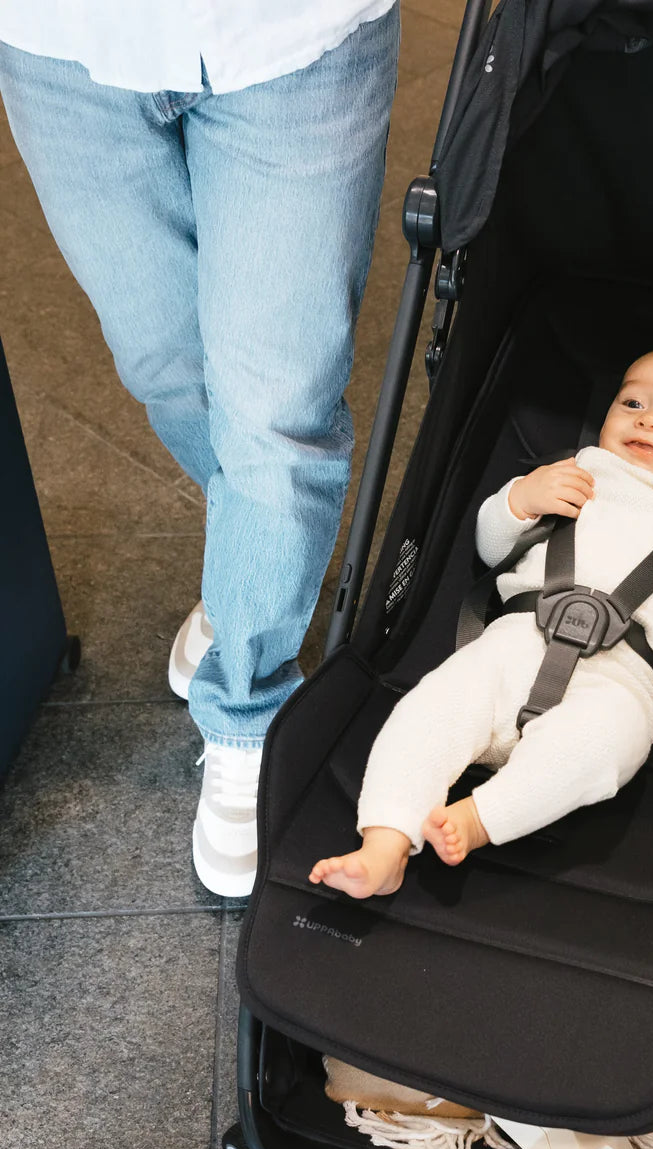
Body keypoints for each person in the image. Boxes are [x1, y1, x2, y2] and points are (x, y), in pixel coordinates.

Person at [0, 2, 402, 897]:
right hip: (61, 44)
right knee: (164, 364)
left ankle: (249, 706)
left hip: (293, 39)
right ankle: (247, 573)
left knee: (275, 406)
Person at [310, 347, 653, 898]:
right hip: (510, 647)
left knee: (602, 749)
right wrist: (518, 501)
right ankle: (385, 843)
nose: (650, 421)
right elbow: (492, 549)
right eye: (633, 403)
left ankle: (479, 818)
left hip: (621, 682)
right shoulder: (571, 474)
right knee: (427, 711)